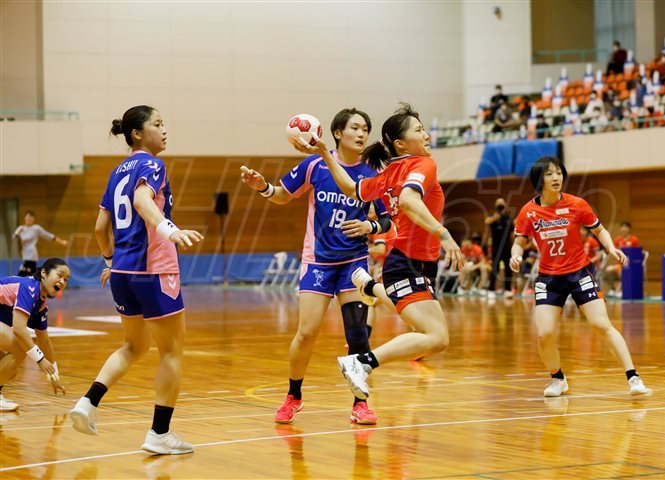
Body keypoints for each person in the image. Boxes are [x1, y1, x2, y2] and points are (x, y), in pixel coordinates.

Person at [290, 104, 463, 400]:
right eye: (419, 130)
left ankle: (370, 287)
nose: (426, 135)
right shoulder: (424, 164)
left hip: (413, 264)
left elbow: (351, 188)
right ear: (401, 144)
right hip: (409, 263)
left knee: (435, 336)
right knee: (435, 337)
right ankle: (362, 362)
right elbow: (408, 201)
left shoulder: (389, 173)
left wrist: (325, 155)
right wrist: (444, 234)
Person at [240, 108, 393, 425]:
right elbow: (282, 195)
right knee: (307, 333)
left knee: (357, 333)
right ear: (337, 133)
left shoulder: (371, 173)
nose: (361, 133)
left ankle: (360, 403)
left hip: (353, 261)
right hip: (318, 261)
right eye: (354, 127)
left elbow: (387, 220)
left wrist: (370, 227)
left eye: (365, 129)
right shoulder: (314, 165)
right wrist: (263, 187)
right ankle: (293, 396)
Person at [69, 105, 204, 455]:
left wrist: (110, 261)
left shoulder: (116, 173)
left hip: (122, 273)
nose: (164, 128)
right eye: (157, 123)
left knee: (134, 346)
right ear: (138, 134)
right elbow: (143, 200)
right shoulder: (152, 165)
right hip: (155, 270)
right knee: (171, 353)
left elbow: (100, 228)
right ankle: (159, 434)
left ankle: (88, 402)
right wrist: (169, 230)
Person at [509, 156, 650, 397]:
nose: (556, 178)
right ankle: (558, 379)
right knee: (544, 333)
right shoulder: (528, 211)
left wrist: (610, 248)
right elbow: (519, 242)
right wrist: (516, 256)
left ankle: (634, 377)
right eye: (550, 174)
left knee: (601, 324)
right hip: (548, 279)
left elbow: (599, 230)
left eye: (559, 173)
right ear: (539, 179)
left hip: (579, 273)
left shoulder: (577, 204)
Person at [0, 258, 69, 411]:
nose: (62, 281)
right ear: (44, 273)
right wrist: (40, 360)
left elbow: (44, 341)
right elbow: (19, 329)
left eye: (66, 279)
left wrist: (54, 375)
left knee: (9, 370)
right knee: (19, 349)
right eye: (59, 275)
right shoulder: (29, 287)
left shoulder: (41, 306)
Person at [13, 211, 68, 277]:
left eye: (31, 217)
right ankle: (40, 279)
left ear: (33, 219)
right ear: (25, 218)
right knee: (31, 274)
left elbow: (48, 235)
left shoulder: (36, 228)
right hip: (24, 254)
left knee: (22, 274)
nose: (29, 219)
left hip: (31, 255)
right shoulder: (21, 228)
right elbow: (14, 237)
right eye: (27, 217)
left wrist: (61, 241)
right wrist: (18, 233)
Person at [484, 198, 514, 299]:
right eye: (498, 204)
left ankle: (508, 290)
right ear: (495, 206)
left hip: (507, 248)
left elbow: (512, 234)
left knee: (508, 269)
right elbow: (486, 222)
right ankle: (491, 290)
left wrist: (513, 247)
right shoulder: (493, 218)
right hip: (496, 248)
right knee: (494, 268)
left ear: (505, 205)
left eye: (502, 203)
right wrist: (495, 218)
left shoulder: (508, 218)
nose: (500, 205)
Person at [604, 221, 641, 296]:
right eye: (622, 227)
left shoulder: (634, 239)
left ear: (629, 228)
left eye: (625, 227)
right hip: (620, 264)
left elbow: (638, 253)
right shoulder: (617, 240)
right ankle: (612, 289)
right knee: (608, 270)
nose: (624, 228)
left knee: (622, 272)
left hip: (630, 265)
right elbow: (614, 253)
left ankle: (622, 290)